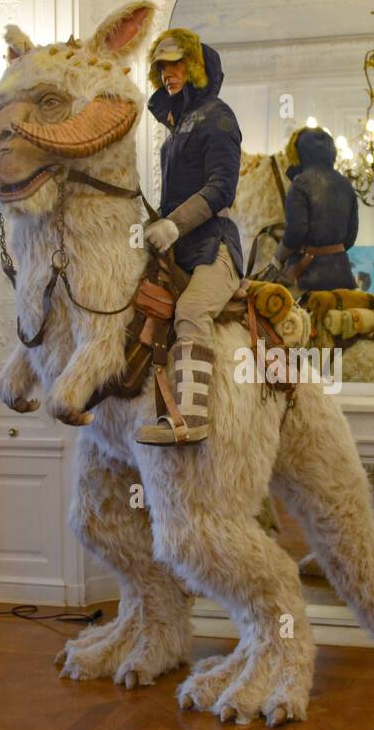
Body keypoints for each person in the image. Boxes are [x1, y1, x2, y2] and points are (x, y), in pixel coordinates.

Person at [135, 28, 243, 446]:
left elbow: (221, 189)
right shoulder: (179, 124)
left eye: (176, 63)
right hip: (180, 248)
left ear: (195, 66)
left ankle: (192, 417)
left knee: (192, 311)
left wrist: (174, 223)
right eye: (162, 66)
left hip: (213, 247)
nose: (167, 73)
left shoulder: (218, 117)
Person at [262, 126, 359, 292]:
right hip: (342, 273)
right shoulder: (346, 185)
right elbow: (351, 236)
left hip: (306, 276)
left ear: (298, 153)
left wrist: (277, 260)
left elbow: (296, 232)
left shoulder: (300, 184)